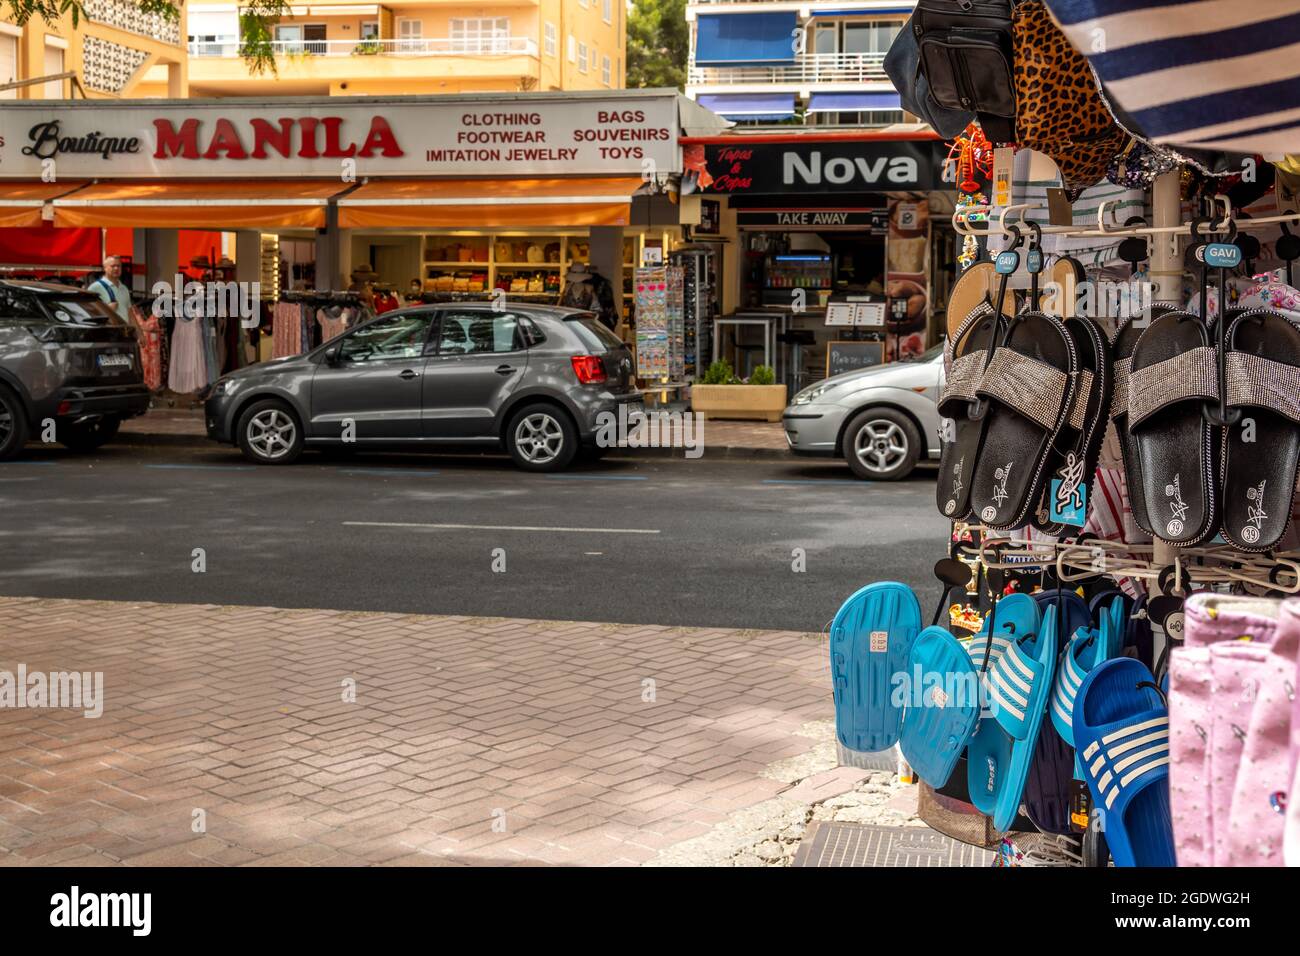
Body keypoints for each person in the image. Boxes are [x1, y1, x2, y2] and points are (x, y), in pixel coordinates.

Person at [90, 255, 132, 323]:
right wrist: (108, 309)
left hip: (124, 331)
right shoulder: (95, 287)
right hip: (107, 332)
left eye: (119, 266)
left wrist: (138, 331)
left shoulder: (124, 288)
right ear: (105, 268)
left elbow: (130, 313)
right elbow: (88, 312)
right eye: (113, 266)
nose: (116, 268)